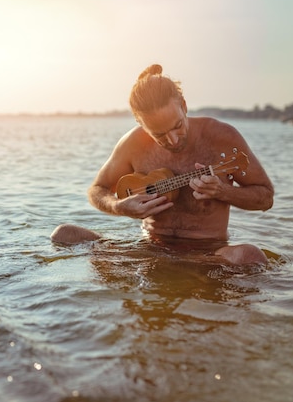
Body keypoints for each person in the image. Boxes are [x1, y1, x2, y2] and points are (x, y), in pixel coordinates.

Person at [51, 64, 274, 265]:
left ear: (183, 106)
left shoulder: (222, 138)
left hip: (207, 255)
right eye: (159, 134)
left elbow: (266, 197)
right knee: (64, 234)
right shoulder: (133, 143)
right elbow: (97, 190)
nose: (173, 140)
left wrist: (223, 191)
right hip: (149, 250)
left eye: (177, 126)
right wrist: (119, 207)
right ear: (141, 124)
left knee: (250, 257)